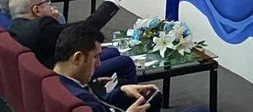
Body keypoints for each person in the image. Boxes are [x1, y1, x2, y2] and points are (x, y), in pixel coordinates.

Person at [53, 25, 209, 112]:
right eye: (96, 57)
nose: (99, 63)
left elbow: (98, 101)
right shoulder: (80, 100)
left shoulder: (54, 81)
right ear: (77, 58)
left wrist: (120, 90)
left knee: (151, 96)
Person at [10, 0, 137, 83]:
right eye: (47, 2)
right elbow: (85, 28)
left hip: (45, 67)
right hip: (59, 77)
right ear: (36, 10)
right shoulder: (42, 28)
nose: (50, 5)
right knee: (125, 62)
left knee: (112, 52)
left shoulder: (16, 26)